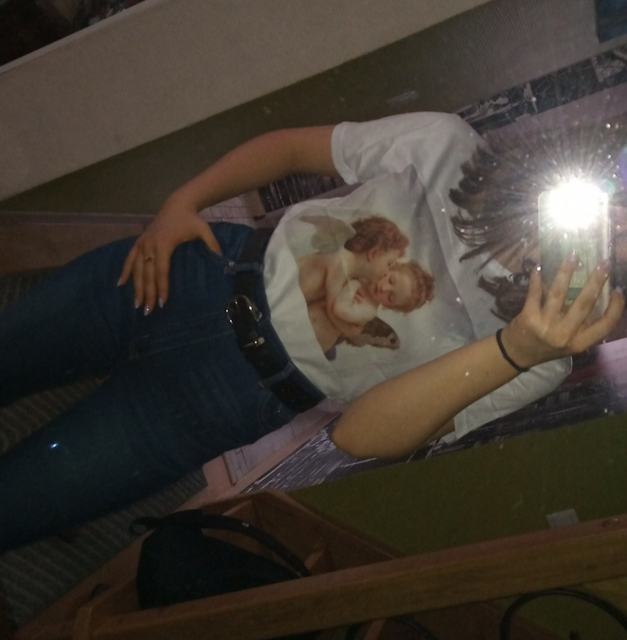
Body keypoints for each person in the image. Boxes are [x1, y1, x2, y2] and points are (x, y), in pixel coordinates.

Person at [0, 112, 624, 552]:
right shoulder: (448, 147)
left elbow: (358, 436)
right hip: (195, 271)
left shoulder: (540, 355)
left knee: (18, 504)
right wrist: (181, 204)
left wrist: (516, 350)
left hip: (223, 401)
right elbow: (294, 151)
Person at [308, 260, 434, 356]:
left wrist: (353, 285)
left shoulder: (368, 310)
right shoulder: (364, 275)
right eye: (390, 280)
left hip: (314, 335)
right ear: (391, 268)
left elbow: (339, 309)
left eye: (390, 297)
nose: (384, 288)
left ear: (389, 307)